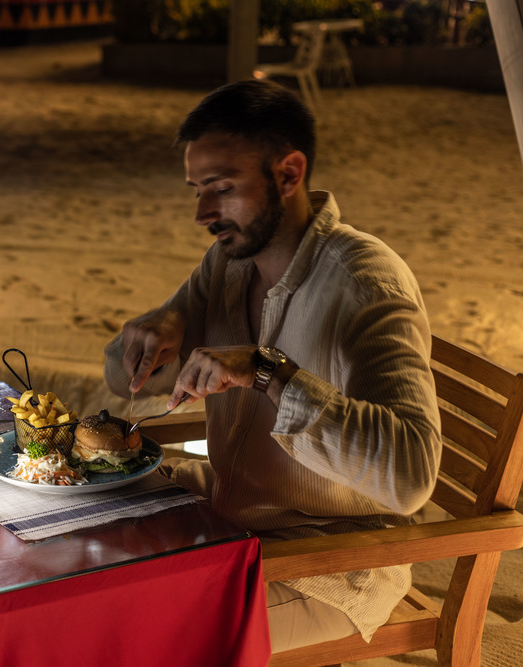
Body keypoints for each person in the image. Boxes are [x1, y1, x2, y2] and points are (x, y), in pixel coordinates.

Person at [103, 79, 441, 652]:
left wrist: (270, 372)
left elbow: (409, 477)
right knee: (74, 541)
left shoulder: (366, 284)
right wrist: (155, 332)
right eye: (198, 190)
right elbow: (122, 379)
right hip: (230, 512)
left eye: (222, 188)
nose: (203, 213)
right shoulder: (229, 263)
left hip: (330, 560)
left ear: (288, 174)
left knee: (143, 628)